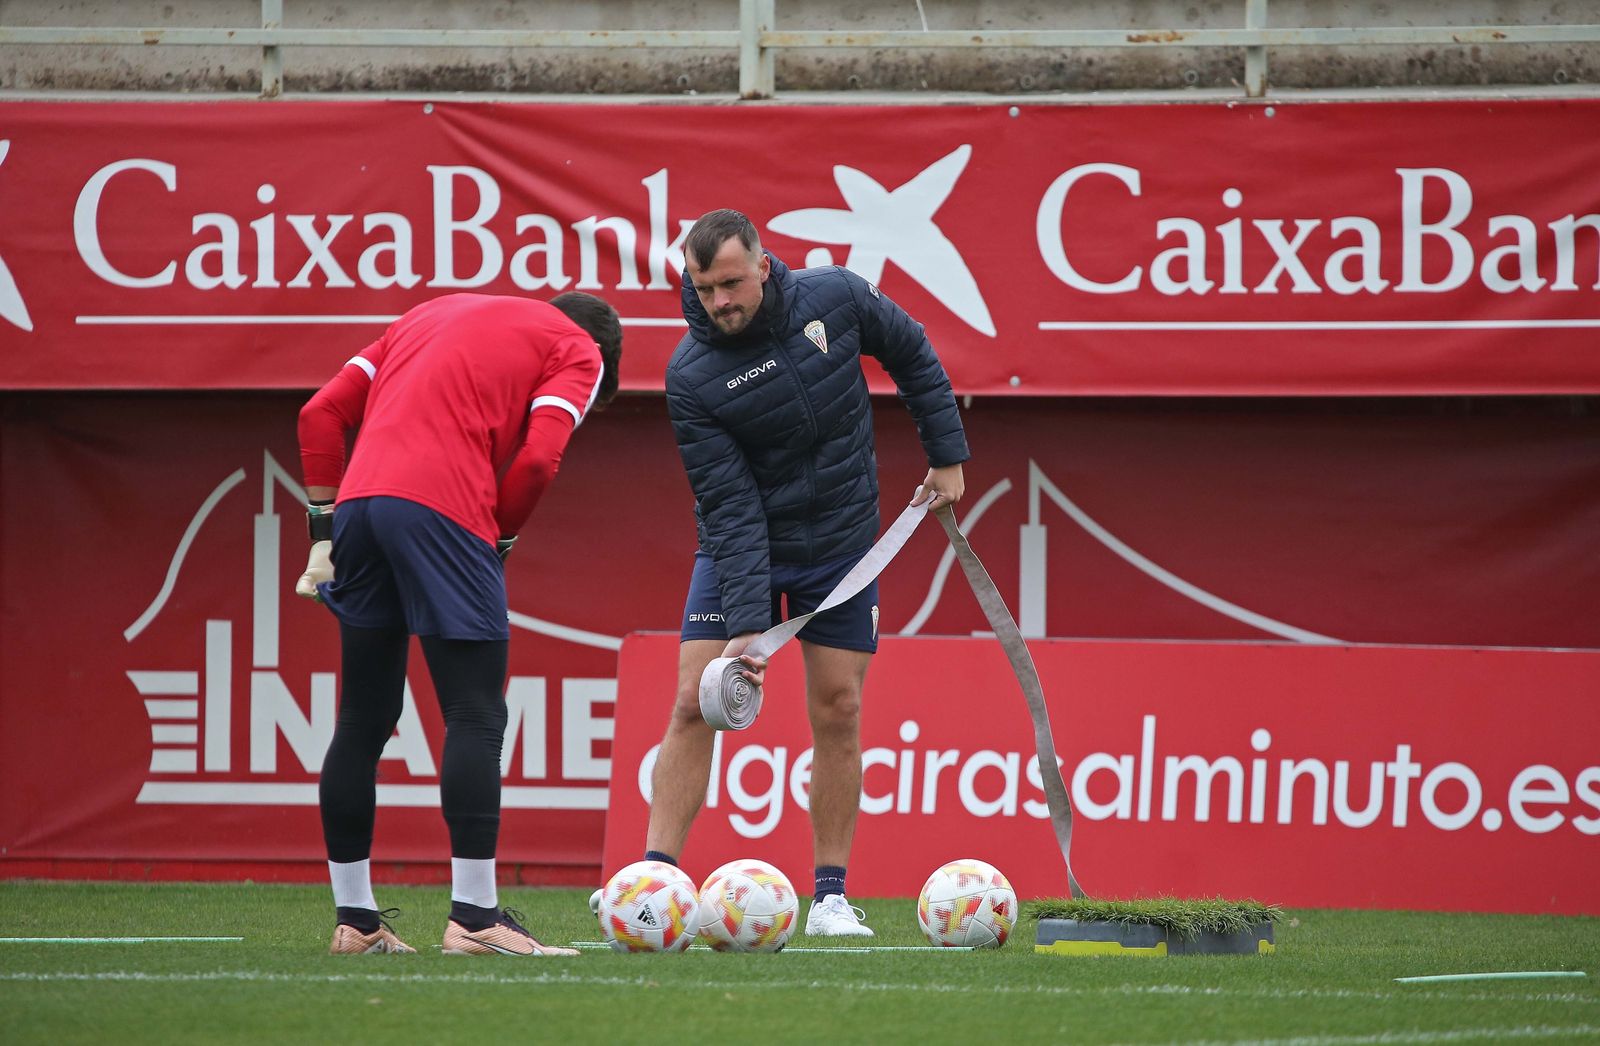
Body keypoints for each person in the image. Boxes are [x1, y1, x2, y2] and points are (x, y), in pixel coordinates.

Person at [647, 209, 969, 936]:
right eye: (704, 290)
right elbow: (728, 504)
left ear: (764, 264)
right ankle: (656, 886)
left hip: (841, 540)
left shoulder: (836, 296)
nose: (720, 302)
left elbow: (914, 354)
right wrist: (747, 627)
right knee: (697, 701)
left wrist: (947, 456)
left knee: (838, 709)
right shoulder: (691, 376)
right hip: (741, 545)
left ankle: (827, 899)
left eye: (731, 282)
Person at [295, 290, 622, 956]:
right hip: (443, 509)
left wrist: (322, 528)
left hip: (358, 507)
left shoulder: (426, 314)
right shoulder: (578, 349)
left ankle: (356, 923)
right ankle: (474, 917)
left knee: (361, 719)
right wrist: (497, 539)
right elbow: (536, 460)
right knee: (476, 713)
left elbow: (319, 412)